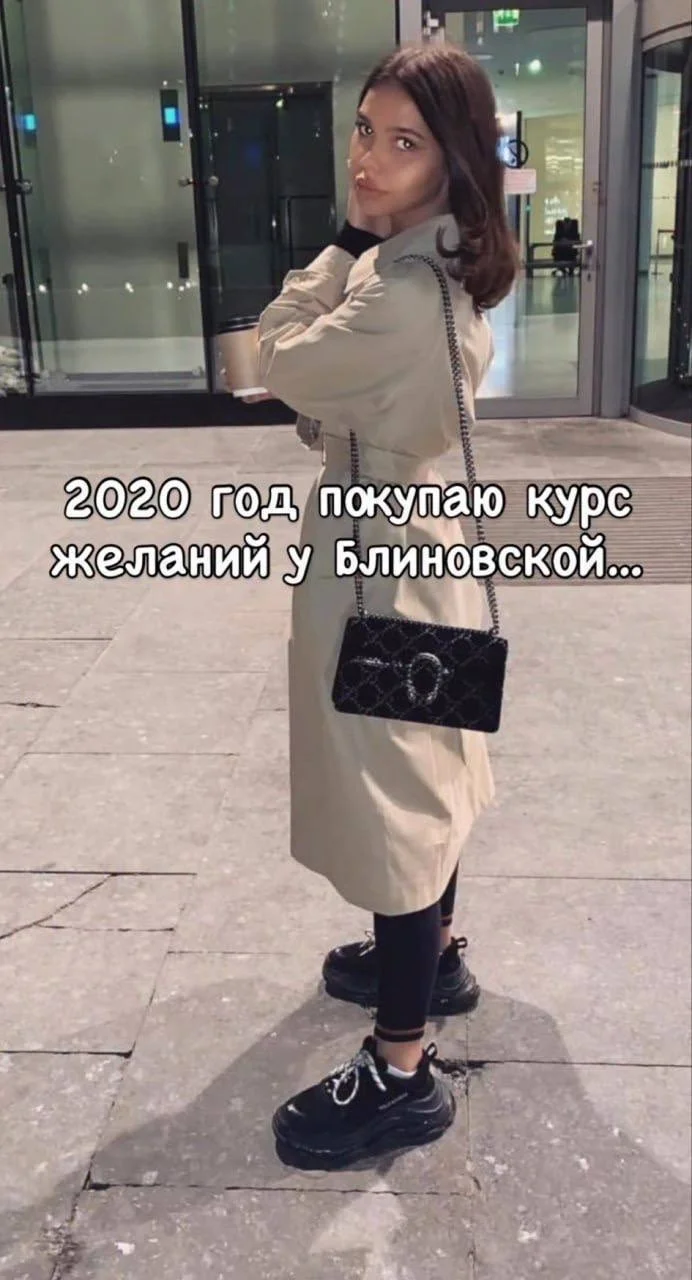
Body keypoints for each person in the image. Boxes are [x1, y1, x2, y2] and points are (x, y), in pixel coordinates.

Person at [251, 42, 518, 1170]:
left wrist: (338, 248)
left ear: (452, 162)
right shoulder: (436, 264)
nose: (369, 161)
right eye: (366, 130)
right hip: (420, 542)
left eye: (404, 142)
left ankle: (401, 1070)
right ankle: (435, 953)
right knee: (426, 773)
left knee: (395, 802)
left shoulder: (398, 293)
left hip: (381, 559)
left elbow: (268, 357)